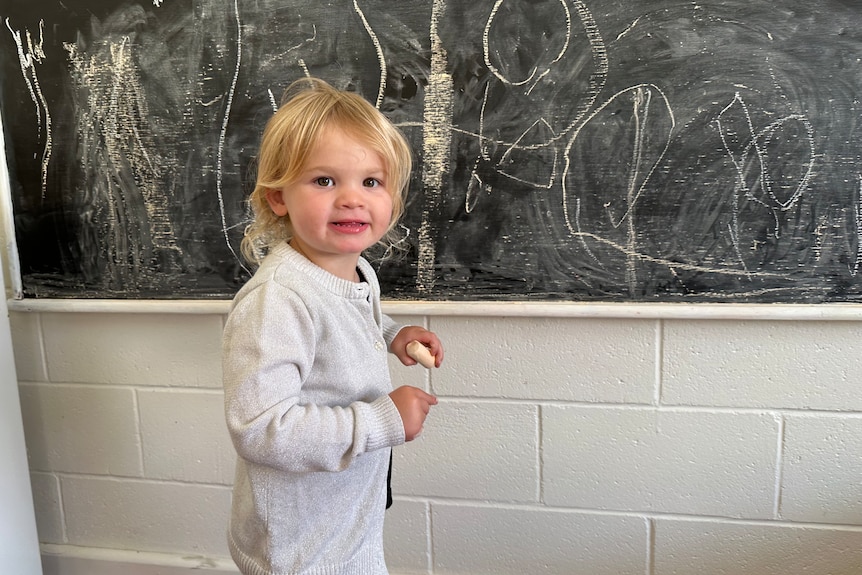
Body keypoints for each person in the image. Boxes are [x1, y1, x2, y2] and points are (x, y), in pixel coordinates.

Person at [222, 77, 443, 575]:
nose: (352, 199)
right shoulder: (277, 300)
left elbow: (346, 315)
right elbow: (261, 429)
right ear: (278, 197)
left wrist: (392, 334)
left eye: (372, 181)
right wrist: (383, 420)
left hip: (343, 516)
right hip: (301, 545)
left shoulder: (350, 270)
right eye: (324, 181)